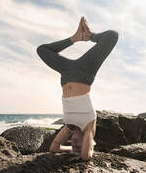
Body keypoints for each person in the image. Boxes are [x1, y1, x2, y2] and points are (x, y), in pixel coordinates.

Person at [36, 16, 118, 160]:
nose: (74, 144)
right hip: (85, 72)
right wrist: (87, 150)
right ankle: (88, 35)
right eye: (79, 145)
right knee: (112, 36)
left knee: (41, 50)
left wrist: (69, 150)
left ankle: (74, 37)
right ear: (89, 141)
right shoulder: (89, 126)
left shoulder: (69, 127)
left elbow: (54, 148)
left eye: (73, 146)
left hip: (66, 72)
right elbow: (86, 157)